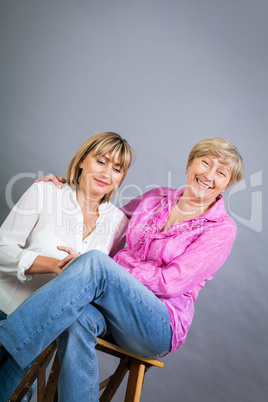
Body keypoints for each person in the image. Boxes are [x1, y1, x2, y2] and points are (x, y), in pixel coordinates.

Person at [0, 137, 244, 402]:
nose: (209, 175)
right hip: (114, 310)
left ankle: (5, 341)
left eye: (221, 173)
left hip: (160, 324)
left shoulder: (221, 228)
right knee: (76, 316)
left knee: (95, 262)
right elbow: (107, 218)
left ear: (227, 184)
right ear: (189, 164)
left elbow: (171, 283)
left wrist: (113, 269)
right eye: (205, 163)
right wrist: (67, 188)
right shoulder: (156, 197)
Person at [0, 132, 133, 400]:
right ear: (83, 160)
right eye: (101, 161)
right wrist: (54, 265)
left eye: (117, 168)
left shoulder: (120, 223)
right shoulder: (46, 191)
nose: (107, 173)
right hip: (5, 312)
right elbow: (2, 249)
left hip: (42, 336)